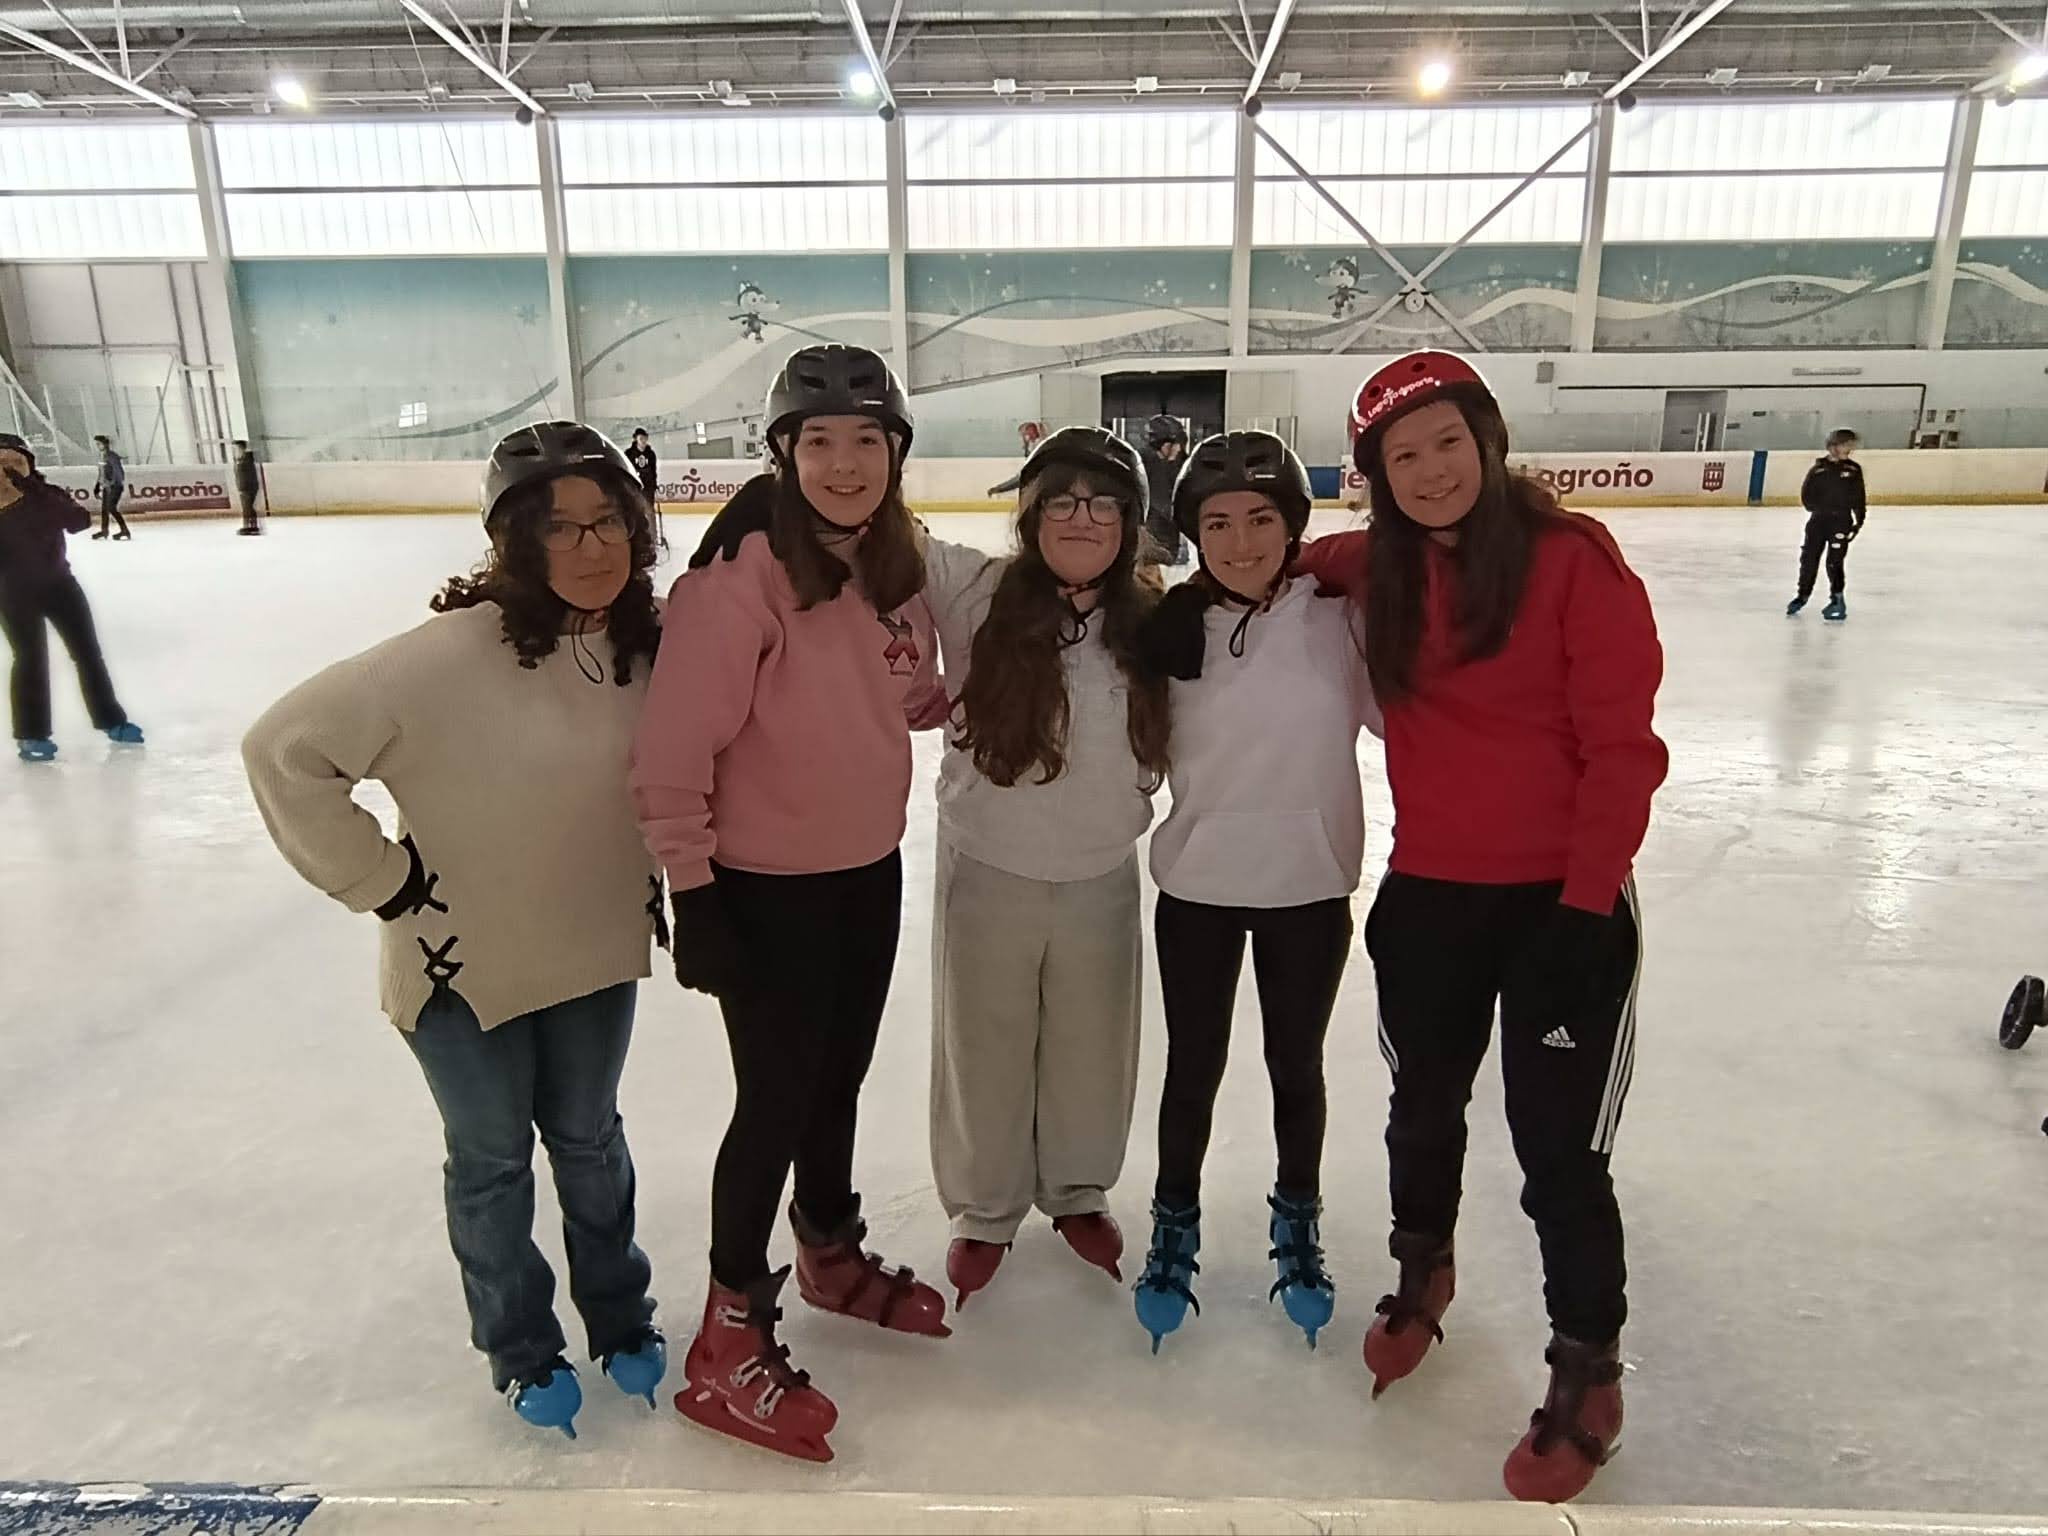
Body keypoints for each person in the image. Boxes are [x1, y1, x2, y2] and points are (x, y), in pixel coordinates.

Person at [242, 421, 668, 1440]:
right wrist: (380, 882)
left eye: (608, 519)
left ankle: (620, 1317)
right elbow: (282, 750)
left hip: (595, 947)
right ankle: (520, 1348)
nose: (592, 545)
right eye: (560, 527)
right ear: (514, 539)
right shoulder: (442, 658)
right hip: (462, 970)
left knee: (590, 1143)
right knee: (492, 1163)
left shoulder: (648, 645)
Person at [1297, 351, 1666, 1503]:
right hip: (1429, 898)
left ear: (1487, 441)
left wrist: (1583, 904)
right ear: (1374, 478)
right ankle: (1423, 1269)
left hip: (1563, 906)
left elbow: (1622, 752)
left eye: (1446, 443)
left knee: (1559, 1156)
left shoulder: (1572, 563)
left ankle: (1586, 1367)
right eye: (1400, 457)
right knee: (1420, 1112)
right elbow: (1278, 560)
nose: (1429, 471)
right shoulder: (1376, 566)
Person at [635, 344, 946, 1465]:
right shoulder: (743, 576)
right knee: (772, 1102)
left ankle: (827, 1250)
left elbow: (900, 693)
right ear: (782, 454)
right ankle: (725, 1340)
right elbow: (671, 751)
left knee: (836, 1078)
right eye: (819, 441)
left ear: (896, 453)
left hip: (866, 867)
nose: (844, 462)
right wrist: (694, 891)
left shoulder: (889, 559)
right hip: (765, 889)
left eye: (868, 439)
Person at [1128, 431, 1380, 1355]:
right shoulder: (1169, 629)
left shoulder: (1340, 620)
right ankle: (1174, 1221)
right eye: (1220, 523)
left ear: (1293, 527)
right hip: (1198, 887)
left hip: (1309, 888)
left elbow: (1410, 714)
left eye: (1261, 519)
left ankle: (1297, 1217)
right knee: (1192, 1068)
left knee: (1294, 1066)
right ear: (1195, 533)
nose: (1241, 542)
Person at [914, 426, 1169, 1311]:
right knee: (981, 1042)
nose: (1081, 517)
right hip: (990, 864)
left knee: (1092, 1043)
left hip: (1102, 869)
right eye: (1060, 499)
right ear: (1029, 516)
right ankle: (984, 1207)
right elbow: (882, 532)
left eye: (1104, 504)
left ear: (1131, 523)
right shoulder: (976, 592)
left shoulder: (1153, 622)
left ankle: (1076, 1189)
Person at [0, 432, 144, 762]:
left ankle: (111, 720)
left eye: (16, 461)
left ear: (29, 464)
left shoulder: (46, 495)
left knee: (88, 654)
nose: (9, 468)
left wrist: (32, 491)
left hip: (61, 587)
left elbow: (78, 522)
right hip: (14, 594)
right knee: (30, 659)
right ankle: (32, 734)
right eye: (1, 463)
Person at [1787, 428, 1865, 622]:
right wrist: (1818, 509)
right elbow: (1807, 495)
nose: (1849, 449)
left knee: (1835, 561)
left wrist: (1858, 521)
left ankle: (1837, 599)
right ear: (1833, 446)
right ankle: (1803, 595)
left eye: (1851, 445)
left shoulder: (1853, 470)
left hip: (1841, 522)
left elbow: (1859, 498)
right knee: (1809, 559)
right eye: (1846, 445)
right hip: (1818, 522)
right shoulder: (1818, 469)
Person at [1138, 415, 1188, 567]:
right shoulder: (1150, 463)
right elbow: (1164, 503)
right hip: (1155, 538)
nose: (1179, 449)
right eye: (1176, 445)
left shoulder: (1151, 462)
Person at [627, 428, 664, 552]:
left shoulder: (650, 454)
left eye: (645, 438)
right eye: (640, 438)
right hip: (635, 488)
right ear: (636, 439)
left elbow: (653, 471)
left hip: (648, 488)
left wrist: (654, 484)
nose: (643, 441)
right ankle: (636, 538)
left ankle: (653, 539)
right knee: (635, 512)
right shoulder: (629, 454)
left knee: (650, 512)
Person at [91, 434, 130, 541]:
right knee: (105, 509)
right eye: (97, 444)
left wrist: (114, 484)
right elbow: (101, 473)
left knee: (111, 508)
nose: (98, 446)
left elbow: (119, 472)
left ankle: (124, 530)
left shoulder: (112, 456)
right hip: (106, 487)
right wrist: (97, 485)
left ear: (105, 444)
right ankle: (104, 530)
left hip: (114, 487)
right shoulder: (102, 456)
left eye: (99, 444)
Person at [234, 439, 263, 536]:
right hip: (244, 487)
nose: (236, 450)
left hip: (248, 487)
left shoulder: (247, 458)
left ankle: (249, 526)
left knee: (247, 508)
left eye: (237, 448)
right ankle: (251, 526)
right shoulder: (240, 459)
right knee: (248, 507)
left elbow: (249, 474)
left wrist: (245, 486)